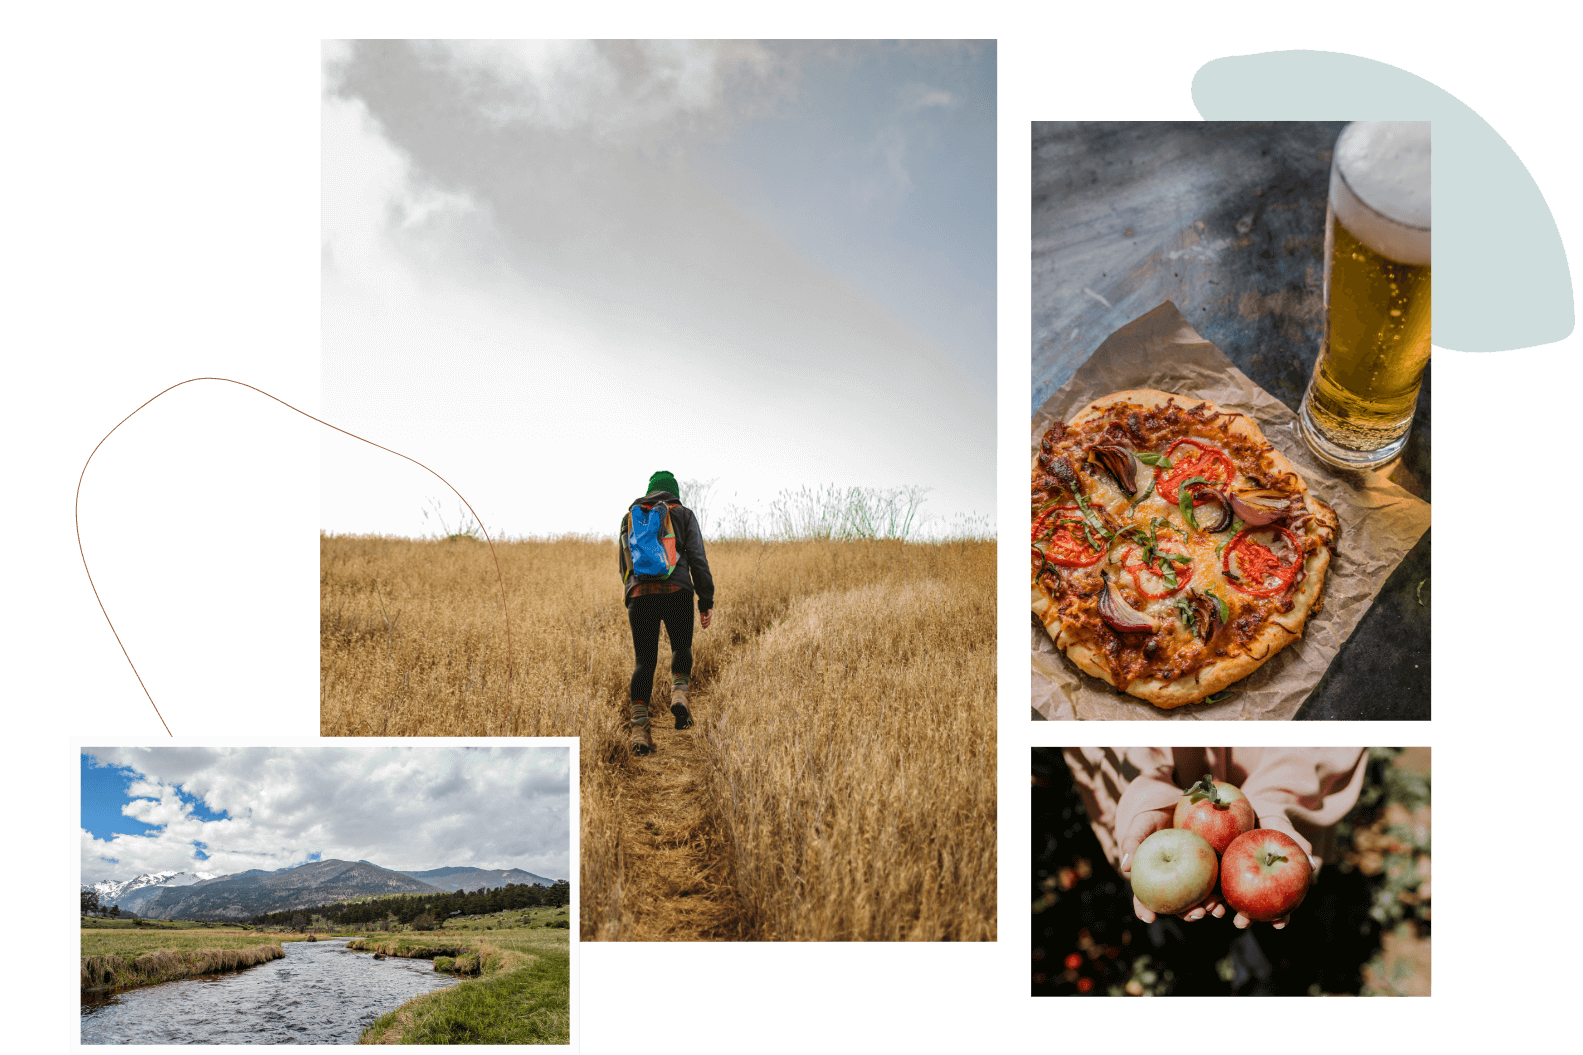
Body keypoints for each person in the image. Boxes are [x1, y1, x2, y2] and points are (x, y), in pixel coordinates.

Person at [618, 471, 715, 756]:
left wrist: (631, 593)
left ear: (650, 491)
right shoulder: (682, 513)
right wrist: (705, 599)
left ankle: (639, 728)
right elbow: (697, 557)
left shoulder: (630, 517)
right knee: (681, 647)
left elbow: (624, 562)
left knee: (643, 663)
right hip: (677, 591)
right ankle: (680, 693)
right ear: (673, 492)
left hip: (640, 594)